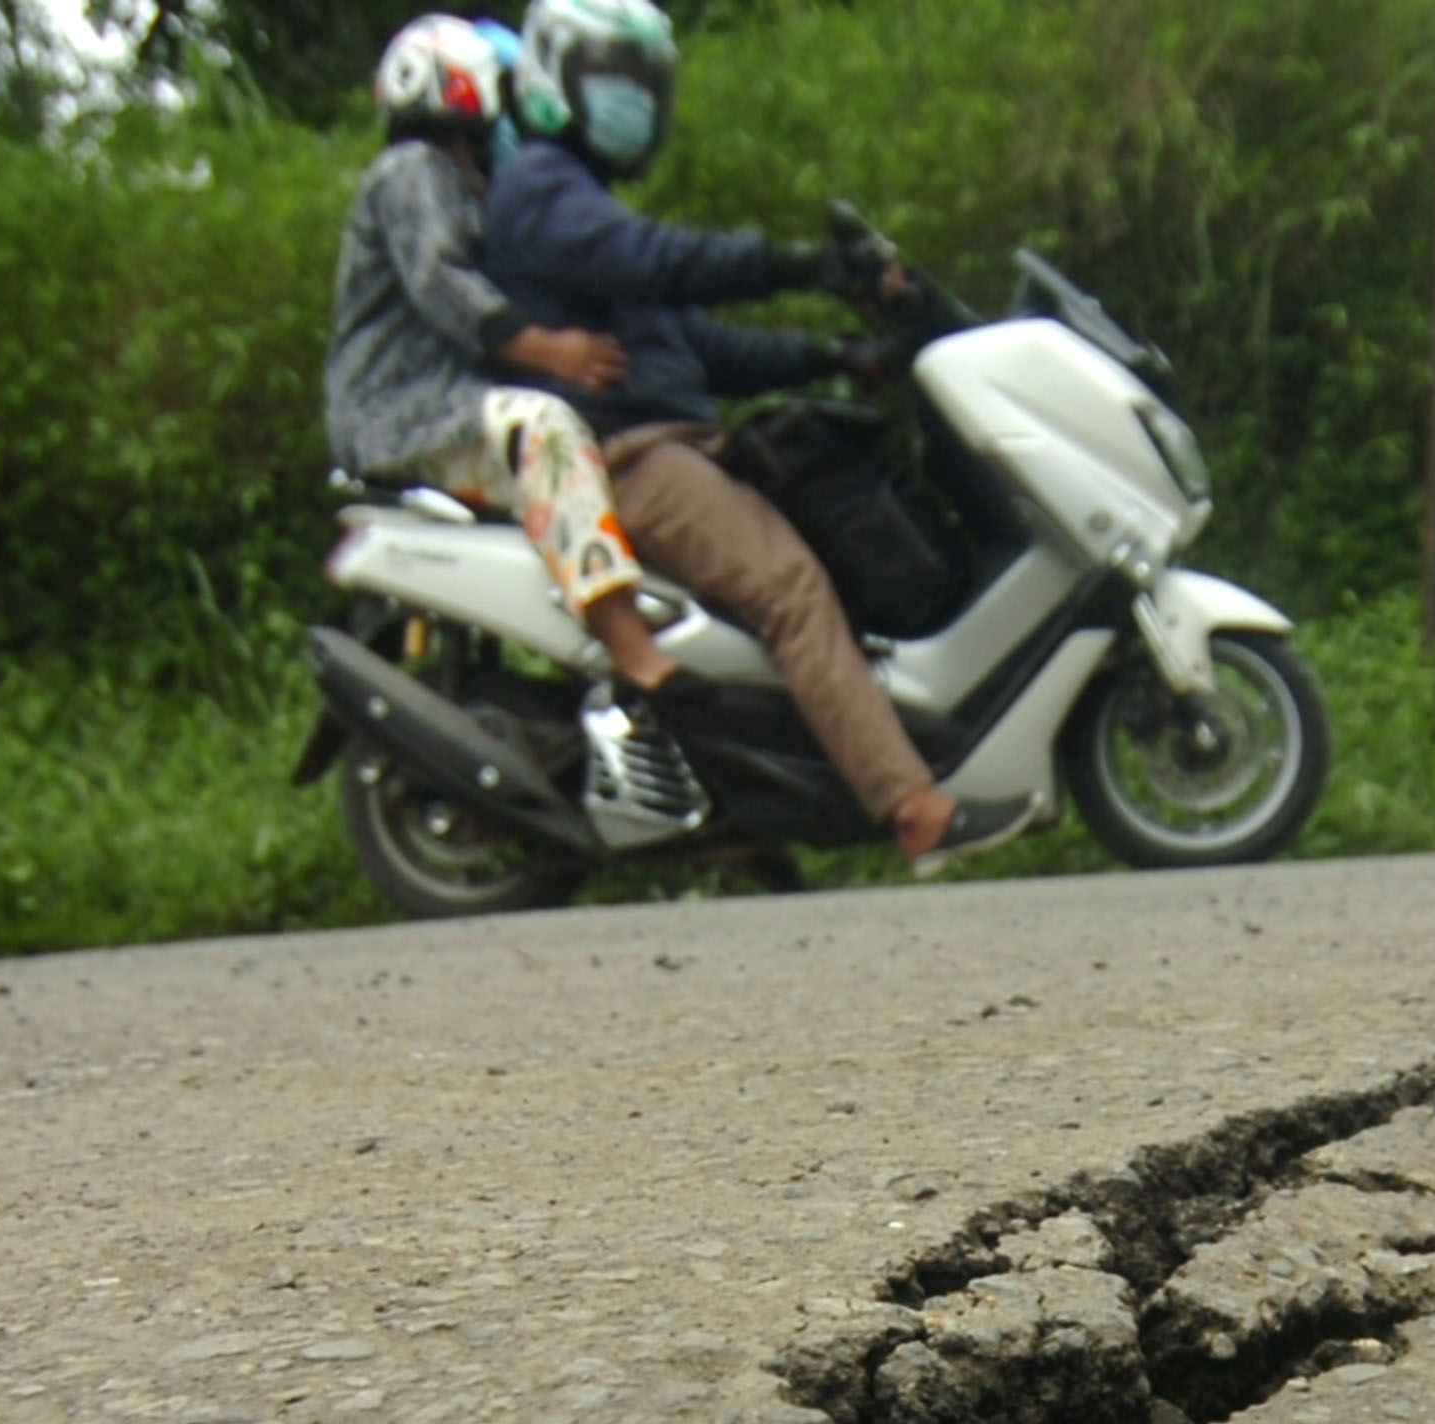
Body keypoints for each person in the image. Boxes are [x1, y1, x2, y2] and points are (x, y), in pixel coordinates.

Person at [481, 0, 1034, 871]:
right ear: (555, 80)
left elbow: (702, 344)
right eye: (614, 82)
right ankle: (913, 807)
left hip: (681, 442)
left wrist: (838, 356)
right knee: (790, 588)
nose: (634, 103)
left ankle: (773, 794)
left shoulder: (582, 209)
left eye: (644, 87)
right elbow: (659, 261)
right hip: (631, 457)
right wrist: (795, 264)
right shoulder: (541, 190)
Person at [328, 15, 714, 838]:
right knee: (548, 428)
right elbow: (440, 283)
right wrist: (548, 348)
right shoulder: (411, 172)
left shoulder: (464, 180)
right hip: (405, 408)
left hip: (438, 401)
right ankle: (628, 642)